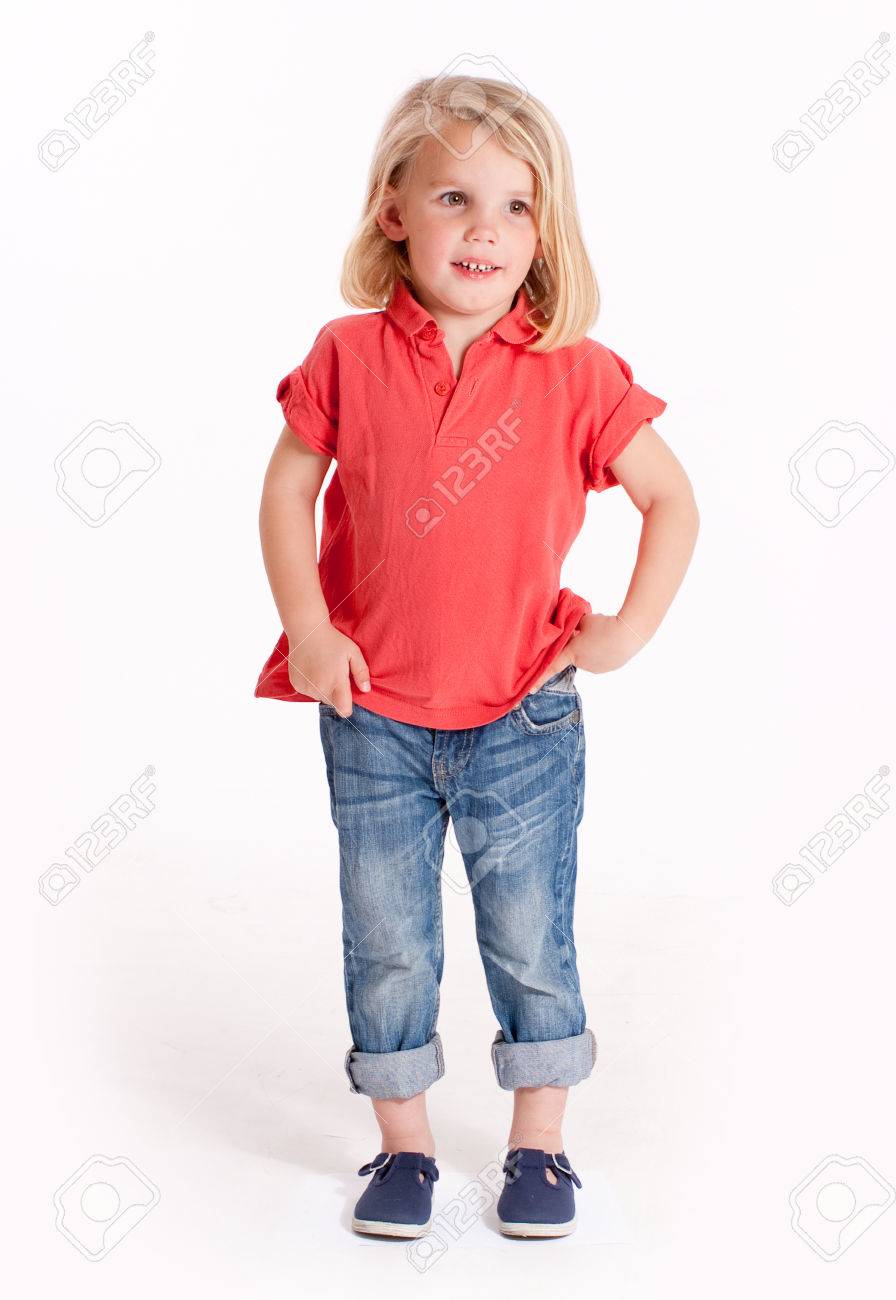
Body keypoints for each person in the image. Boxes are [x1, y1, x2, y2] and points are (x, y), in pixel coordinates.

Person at [256, 74, 699, 1239]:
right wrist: (309, 625)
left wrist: (623, 630)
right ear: (394, 208)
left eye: (515, 204)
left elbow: (670, 501)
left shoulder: (575, 370)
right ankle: (400, 1148)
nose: (486, 228)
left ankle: (539, 1148)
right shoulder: (345, 355)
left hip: (521, 715)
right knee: (389, 937)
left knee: (527, 933)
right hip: (376, 714)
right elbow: (288, 488)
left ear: (543, 229)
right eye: (455, 196)